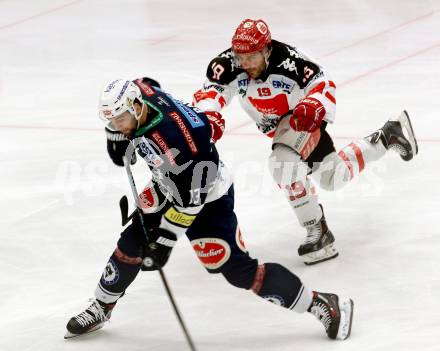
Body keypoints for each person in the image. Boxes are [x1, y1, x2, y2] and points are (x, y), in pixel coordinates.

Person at [64, 77, 354, 341]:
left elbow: (192, 199)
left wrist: (164, 241)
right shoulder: (141, 96)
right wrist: (117, 134)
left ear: (137, 108)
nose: (118, 126)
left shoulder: (179, 140)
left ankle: (321, 303)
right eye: (112, 121)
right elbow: (147, 81)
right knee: (133, 240)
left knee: (237, 269)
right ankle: (102, 305)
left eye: (121, 120)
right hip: (172, 182)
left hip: (208, 198)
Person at [193, 19, 418, 265]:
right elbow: (211, 92)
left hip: (302, 119)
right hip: (280, 128)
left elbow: (321, 81)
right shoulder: (227, 64)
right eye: (241, 57)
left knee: (283, 164)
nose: (245, 64)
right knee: (333, 178)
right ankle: (387, 136)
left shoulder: (291, 61)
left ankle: (319, 232)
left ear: (267, 50)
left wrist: (313, 105)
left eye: (252, 58)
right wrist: (207, 116)